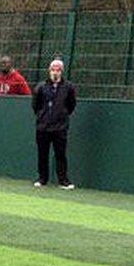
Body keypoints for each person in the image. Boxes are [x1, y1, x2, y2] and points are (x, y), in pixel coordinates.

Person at [32, 58, 77, 188]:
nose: (55, 72)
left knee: (60, 154)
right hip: (43, 127)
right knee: (42, 153)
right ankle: (42, 179)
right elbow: (35, 105)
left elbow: (71, 105)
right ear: (49, 71)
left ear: (62, 71)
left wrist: (62, 116)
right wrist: (43, 117)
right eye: (53, 69)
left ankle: (63, 180)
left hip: (60, 127)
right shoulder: (41, 87)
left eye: (58, 70)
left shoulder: (68, 87)